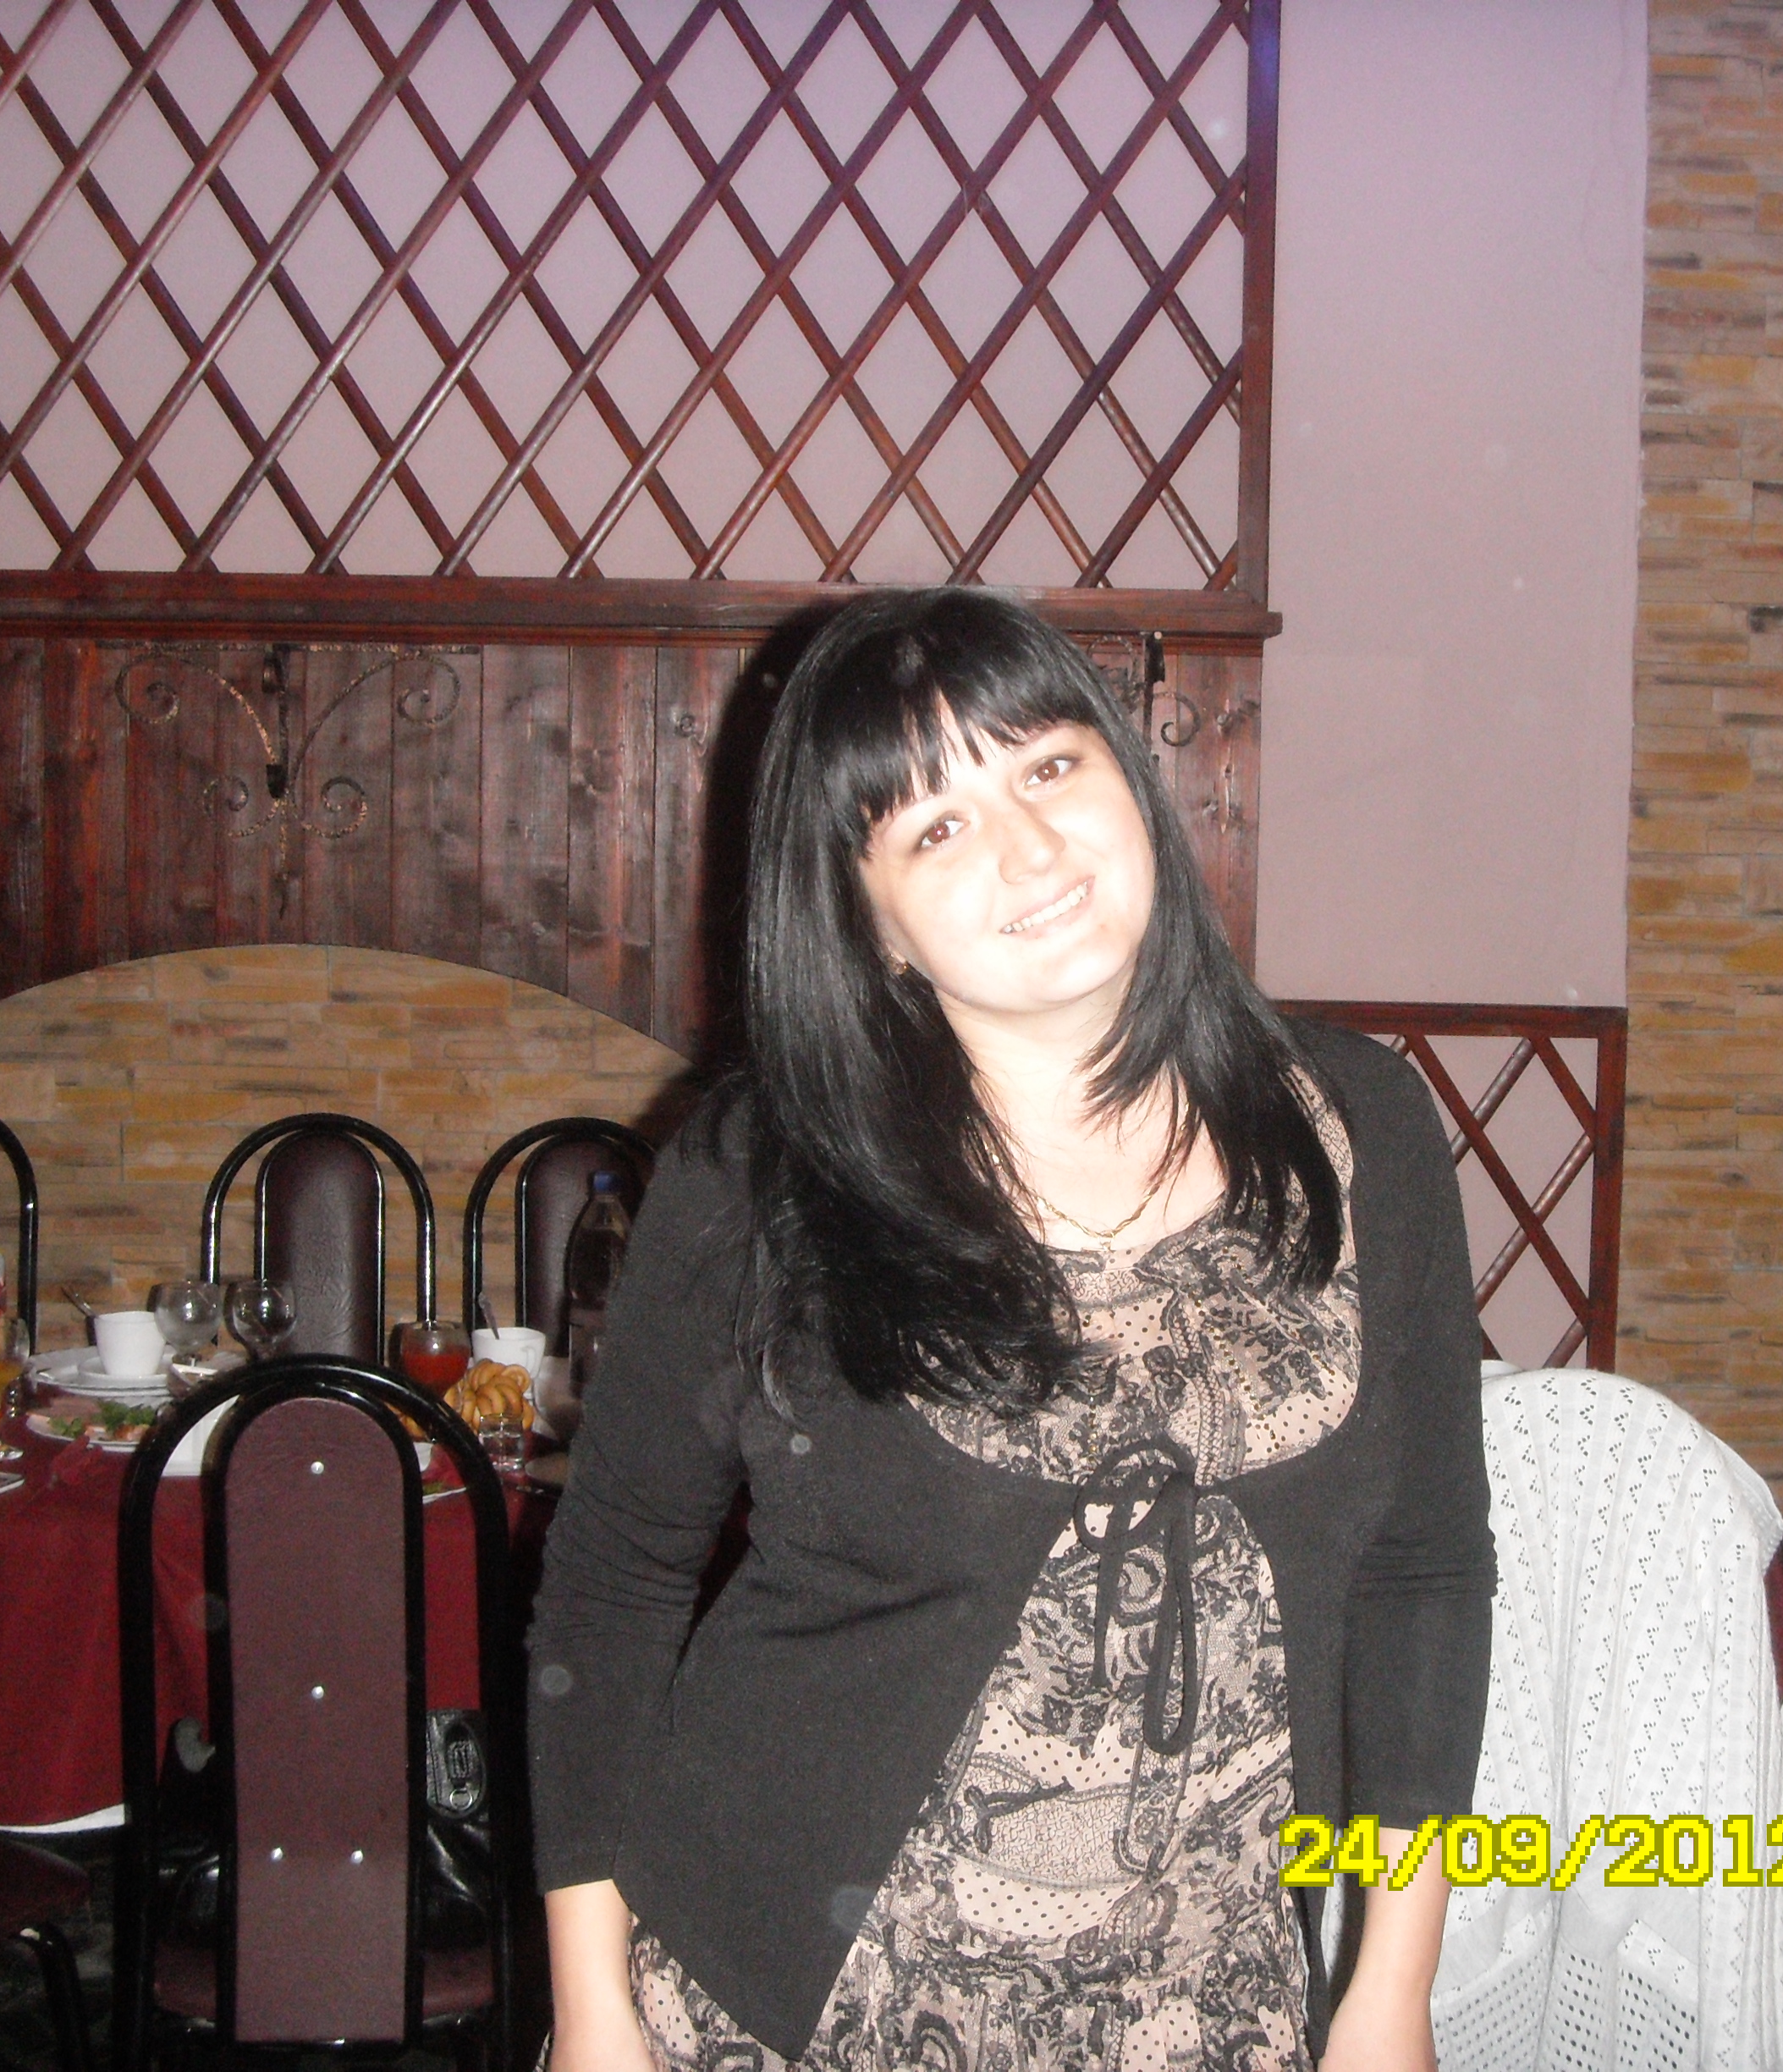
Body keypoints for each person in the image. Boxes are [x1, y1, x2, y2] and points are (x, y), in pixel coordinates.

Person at [531, 587, 1495, 2071]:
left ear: (1133, 782)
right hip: (791, 2003)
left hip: (1211, 2011)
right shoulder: (761, 1173)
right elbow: (613, 1585)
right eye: (935, 828)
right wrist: (594, 2015)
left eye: (1048, 766)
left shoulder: (1362, 1126)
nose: (1031, 850)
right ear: (869, 923)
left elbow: (1425, 1573)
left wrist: (1390, 1987)